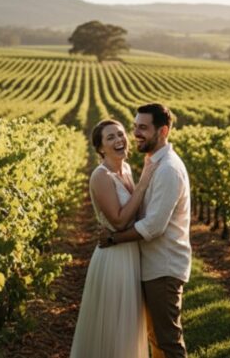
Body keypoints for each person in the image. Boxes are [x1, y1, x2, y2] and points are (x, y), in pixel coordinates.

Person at [99, 103, 192, 358]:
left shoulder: (168, 169)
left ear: (162, 131)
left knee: (168, 341)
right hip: (153, 264)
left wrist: (114, 238)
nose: (135, 133)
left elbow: (153, 226)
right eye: (135, 127)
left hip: (164, 266)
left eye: (143, 128)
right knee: (156, 340)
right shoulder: (154, 162)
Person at [70, 119, 158, 358]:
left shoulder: (127, 169)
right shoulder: (101, 176)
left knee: (128, 326)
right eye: (110, 138)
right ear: (100, 149)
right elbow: (119, 222)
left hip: (130, 255)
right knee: (113, 327)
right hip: (113, 259)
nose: (119, 140)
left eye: (120, 134)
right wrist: (143, 185)